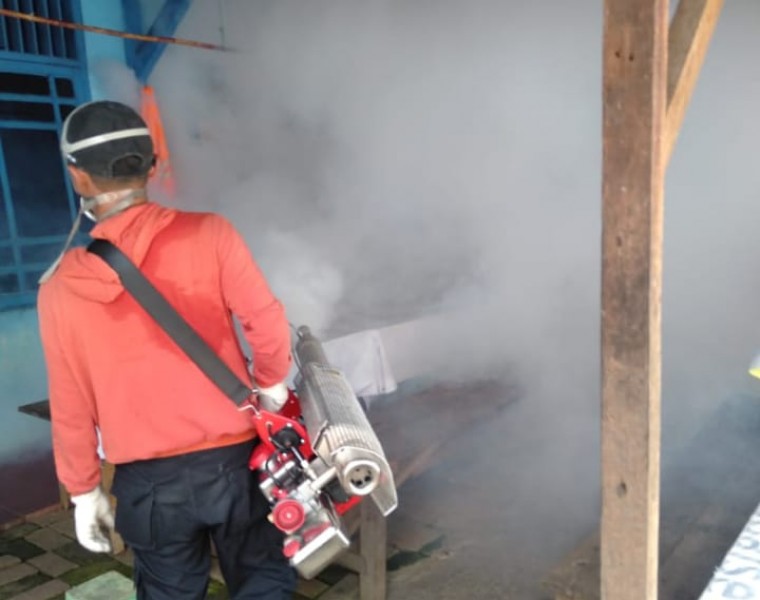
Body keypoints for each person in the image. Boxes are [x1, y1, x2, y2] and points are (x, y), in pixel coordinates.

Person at [37, 100, 297, 600]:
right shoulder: (211, 233)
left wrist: (84, 491)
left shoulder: (60, 287)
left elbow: (70, 404)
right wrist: (270, 383)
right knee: (263, 583)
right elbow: (266, 321)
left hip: (149, 489)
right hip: (235, 466)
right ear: (153, 165)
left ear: (78, 177)